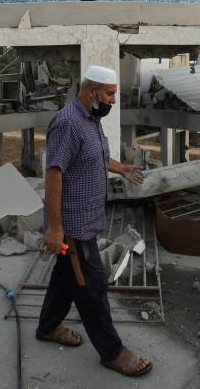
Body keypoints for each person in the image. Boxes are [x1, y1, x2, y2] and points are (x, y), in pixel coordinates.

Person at [36, 64, 153, 377]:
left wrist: (121, 168)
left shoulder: (92, 120)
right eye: (110, 94)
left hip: (88, 219)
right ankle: (112, 352)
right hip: (73, 227)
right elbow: (54, 173)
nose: (114, 100)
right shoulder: (68, 123)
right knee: (92, 287)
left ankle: (48, 326)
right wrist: (56, 228)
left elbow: (95, 156)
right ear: (92, 92)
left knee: (65, 278)